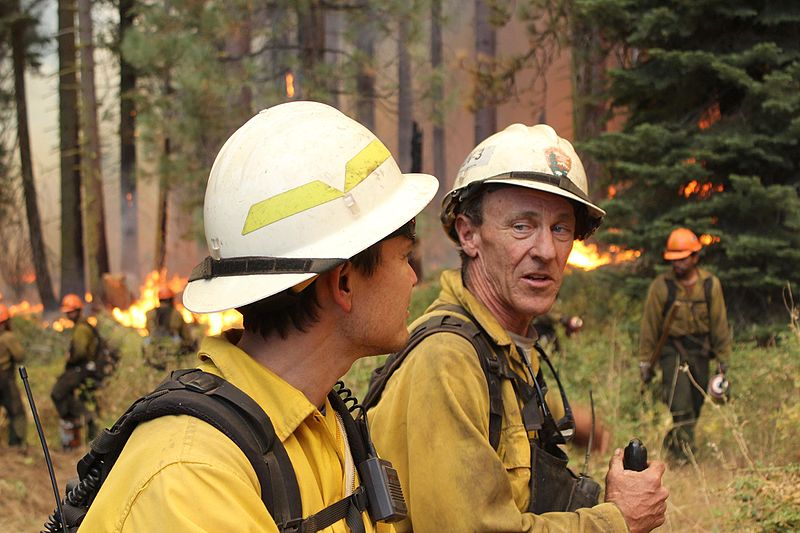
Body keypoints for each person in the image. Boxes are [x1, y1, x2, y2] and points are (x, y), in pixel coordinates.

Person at [79, 101, 438, 531]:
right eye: (404, 257)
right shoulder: (192, 479)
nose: (414, 278)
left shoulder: (323, 421)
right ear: (343, 282)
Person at [365, 124, 668, 532]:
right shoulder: (448, 361)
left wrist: (581, 426)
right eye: (522, 227)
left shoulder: (503, 349)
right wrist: (616, 522)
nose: (545, 251)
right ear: (468, 234)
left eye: (560, 228)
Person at [638, 227, 731, 463]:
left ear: (695, 257)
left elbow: (719, 323)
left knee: (697, 405)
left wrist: (723, 360)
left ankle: (672, 443)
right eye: (674, 260)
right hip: (672, 352)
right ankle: (684, 459)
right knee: (680, 406)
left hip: (700, 351)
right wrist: (645, 361)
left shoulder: (710, 284)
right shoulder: (661, 286)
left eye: (682, 259)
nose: (677, 264)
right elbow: (650, 325)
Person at [51, 293, 100, 449]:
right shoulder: (82, 326)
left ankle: (80, 416)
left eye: (72, 311)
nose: (69, 315)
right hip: (83, 368)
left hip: (81, 368)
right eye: (68, 312)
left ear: (79, 310)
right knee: (66, 394)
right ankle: (76, 420)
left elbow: (79, 353)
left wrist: (69, 358)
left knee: (58, 392)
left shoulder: (81, 329)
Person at [144, 285, 195, 369]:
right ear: (171, 299)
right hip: (172, 343)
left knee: (146, 342)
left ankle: (147, 362)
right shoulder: (177, 314)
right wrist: (189, 345)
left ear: (159, 300)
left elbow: (148, 329)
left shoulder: (150, 313)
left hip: (154, 342)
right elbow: (186, 334)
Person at [0, 304, 27, 448]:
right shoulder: (7, 337)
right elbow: (20, 355)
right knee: (16, 412)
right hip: (5, 378)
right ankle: (17, 444)